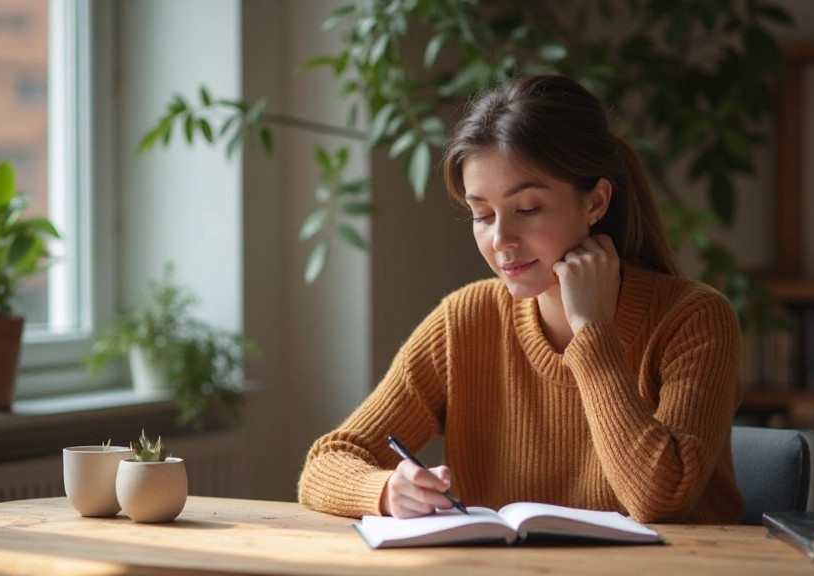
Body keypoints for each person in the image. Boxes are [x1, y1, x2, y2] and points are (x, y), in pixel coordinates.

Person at [298, 74, 744, 524]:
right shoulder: (467, 320)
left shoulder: (694, 318)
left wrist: (592, 331)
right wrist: (385, 491)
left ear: (595, 202)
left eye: (527, 209)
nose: (501, 240)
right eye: (482, 215)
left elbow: (659, 498)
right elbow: (328, 461)